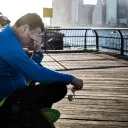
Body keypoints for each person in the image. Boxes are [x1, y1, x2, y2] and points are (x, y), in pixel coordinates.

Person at [0, 13, 83, 116]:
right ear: (25, 28)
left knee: (52, 80)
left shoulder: (8, 37)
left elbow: (29, 70)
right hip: (5, 98)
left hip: (13, 91)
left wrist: (37, 50)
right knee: (58, 88)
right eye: (37, 34)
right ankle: (23, 116)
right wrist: (71, 79)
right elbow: (35, 73)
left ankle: (29, 114)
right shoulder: (6, 41)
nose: (37, 38)